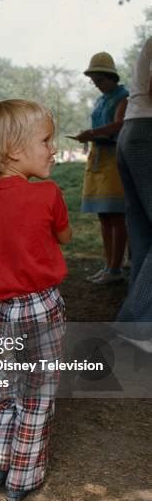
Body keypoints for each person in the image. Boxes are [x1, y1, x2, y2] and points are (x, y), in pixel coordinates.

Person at [0, 100, 71, 501]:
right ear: (14, 150)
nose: (53, 148)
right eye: (46, 140)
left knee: (6, 387)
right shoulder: (47, 194)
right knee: (38, 392)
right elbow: (64, 238)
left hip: (3, 309)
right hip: (42, 305)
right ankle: (23, 477)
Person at [75, 52, 128, 285]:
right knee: (103, 215)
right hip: (97, 159)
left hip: (114, 159)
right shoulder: (99, 100)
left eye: (100, 81)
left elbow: (119, 124)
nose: (97, 85)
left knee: (116, 215)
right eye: (94, 82)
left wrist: (93, 133)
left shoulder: (123, 97)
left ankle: (116, 268)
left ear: (110, 77)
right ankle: (108, 265)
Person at [115, 37, 152, 351]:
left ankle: (138, 325)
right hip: (148, 132)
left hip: (134, 131)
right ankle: (136, 323)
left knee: (142, 236)